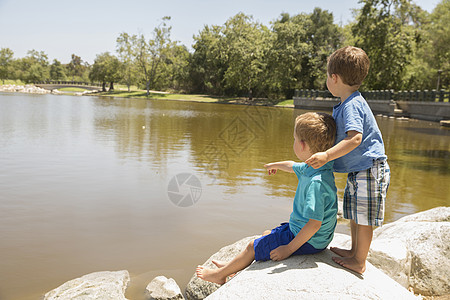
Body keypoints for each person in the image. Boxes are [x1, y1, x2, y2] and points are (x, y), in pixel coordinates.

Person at [196, 112, 338, 285]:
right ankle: (232, 265)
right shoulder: (317, 166)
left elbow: (314, 224)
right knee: (266, 235)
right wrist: (275, 165)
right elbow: (293, 166)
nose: (292, 142)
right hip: (308, 233)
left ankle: (220, 275)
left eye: (294, 139)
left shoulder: (317, 183)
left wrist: (288, 249)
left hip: (312, 241)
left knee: (251, 246)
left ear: (302, 145)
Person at [305, 46, 391, 274]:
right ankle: (354, 251)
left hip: (369, 168)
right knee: (355, 213)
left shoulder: (352, 105)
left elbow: (355, 139)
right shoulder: (349, 102)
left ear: (334, 78)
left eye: (327, 76)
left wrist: (327, 156)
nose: (327, 80)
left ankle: (360, 261)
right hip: (359, 169)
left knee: (364, 218)